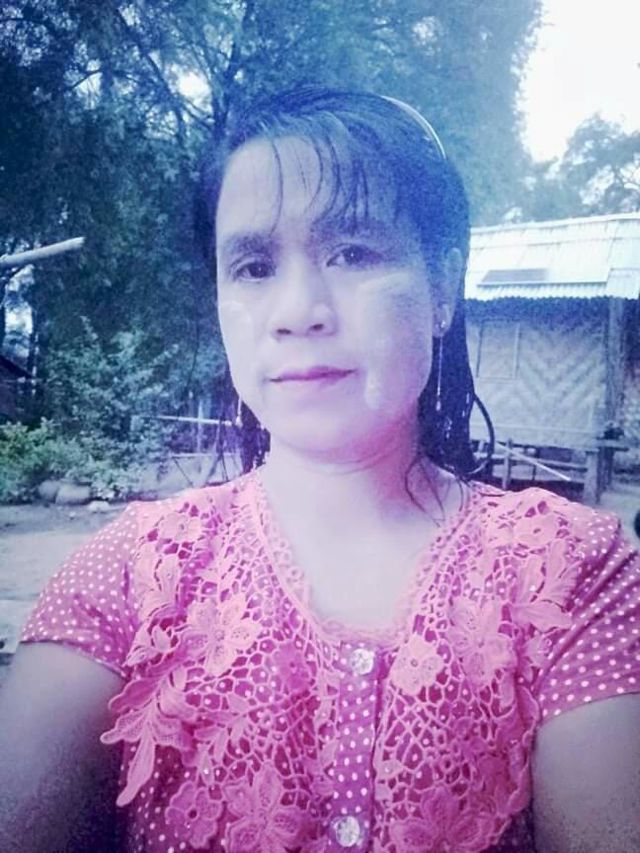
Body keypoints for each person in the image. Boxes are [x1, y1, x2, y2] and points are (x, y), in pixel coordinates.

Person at [1, 86, 639, 853]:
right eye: (253, 266)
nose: (298, 309)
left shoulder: (576, 573)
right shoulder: (126, 577)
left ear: (442, 287)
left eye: (352, 253)